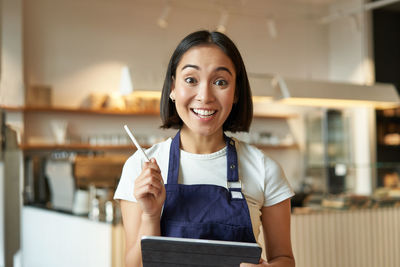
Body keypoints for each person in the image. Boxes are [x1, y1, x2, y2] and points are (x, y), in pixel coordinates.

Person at [114, 30, 295, 267]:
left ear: (236, 92)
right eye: (191, 80)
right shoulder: (140, 167)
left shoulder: (264, 168)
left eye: (220, 82)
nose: (205, 96)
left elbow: (285, 259)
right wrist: (150, 214)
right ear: (172, 87)